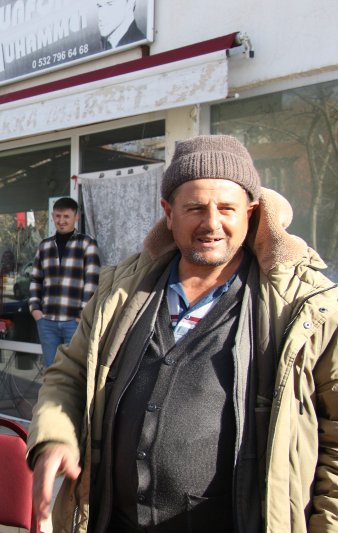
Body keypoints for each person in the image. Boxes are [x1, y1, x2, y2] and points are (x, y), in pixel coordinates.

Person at [27, 135, 338, 533]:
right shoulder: (121, 292)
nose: (212, 223)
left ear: (251, 212)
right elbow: (68, 376)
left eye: (227, 208)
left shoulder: (303, 308)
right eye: (194, 208)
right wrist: (54, 437)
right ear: (168, 213)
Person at [29, 197, 100, 370]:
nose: (61, 221)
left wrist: (82, 315)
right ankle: (51, 399)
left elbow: (92, 282)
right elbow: (36, 279)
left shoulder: (87, 244)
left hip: (73, 322)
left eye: (66, 216)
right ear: (53, 216)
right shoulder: (45, 246)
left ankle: (73, 400)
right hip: (47, 321)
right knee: (50, 370)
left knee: (74, 371)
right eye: (58, 216)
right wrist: (35, 310)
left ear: (77, 217)